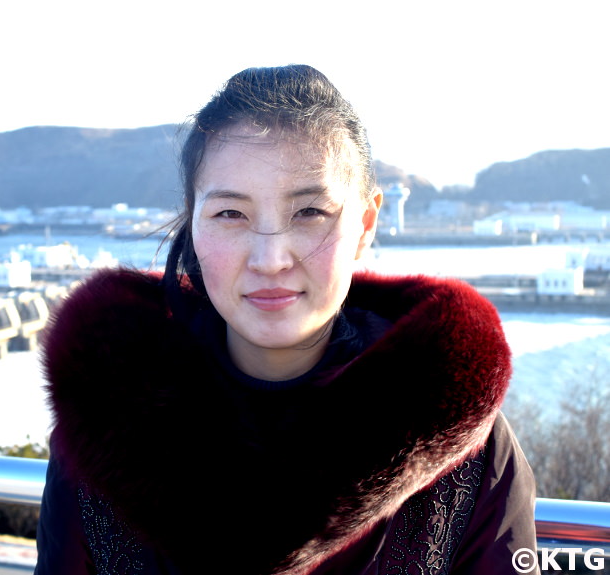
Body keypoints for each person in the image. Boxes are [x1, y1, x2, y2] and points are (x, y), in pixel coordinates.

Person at [34, 65, 539, 574]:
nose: (270, 258)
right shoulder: (103, 420)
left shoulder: (463, 445)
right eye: (231, 214)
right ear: (194, 224)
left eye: (310, 212)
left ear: (365, 224)